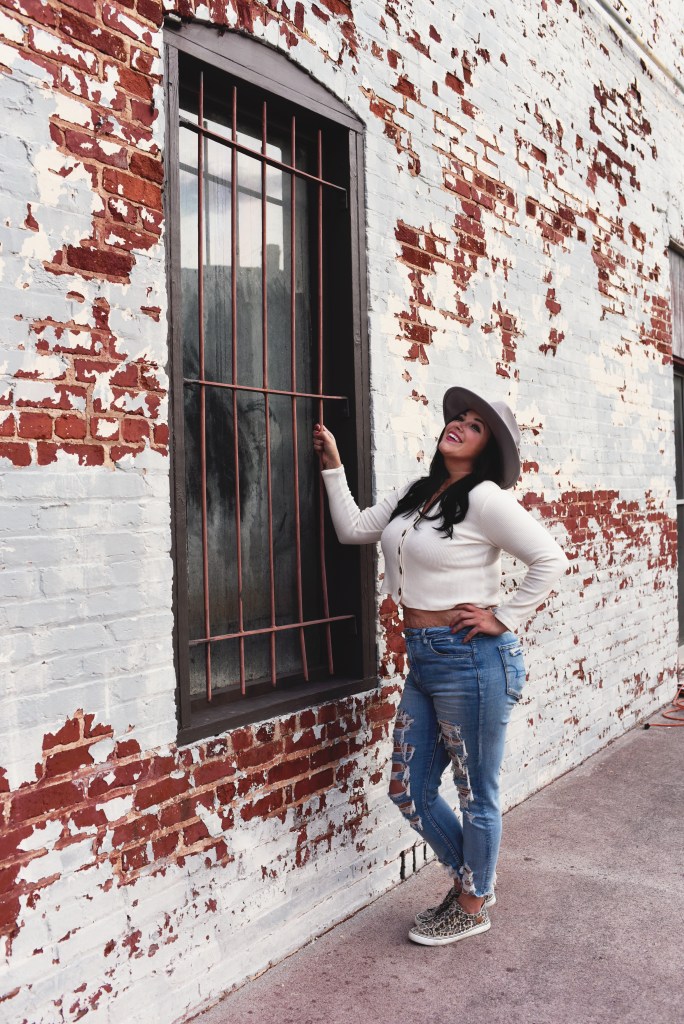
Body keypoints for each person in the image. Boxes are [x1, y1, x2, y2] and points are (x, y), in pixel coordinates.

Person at [313, 385, 567, 946]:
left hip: (472, 660)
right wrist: (333, 466)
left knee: (476, 792)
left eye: (475, 426)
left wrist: (504, 616)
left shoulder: (485, 500)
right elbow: (353, 529)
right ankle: (473, 882)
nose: (459, 426)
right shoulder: (417, 491)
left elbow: (550, 558)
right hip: (425, 658)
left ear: (486, 449)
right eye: (459, 418)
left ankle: (473, 903)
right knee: (408, 788)